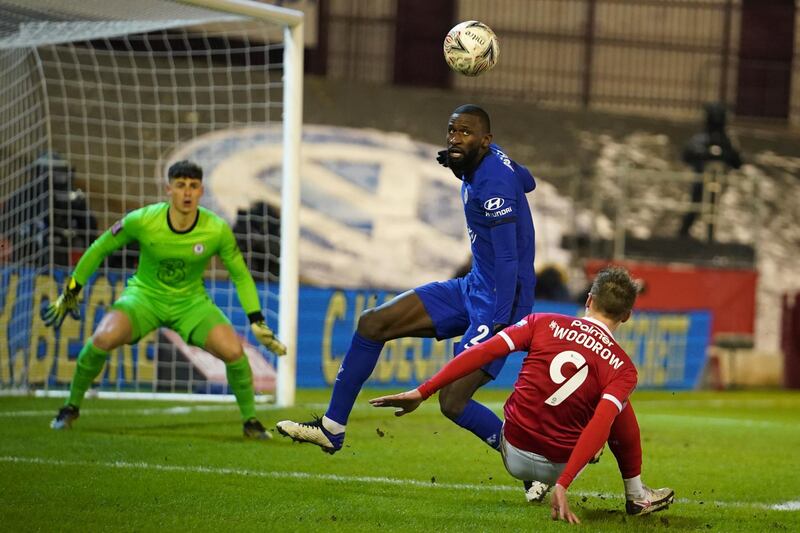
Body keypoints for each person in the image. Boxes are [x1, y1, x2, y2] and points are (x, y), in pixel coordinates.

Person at [276, 104, 537, 454]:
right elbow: (529, 181)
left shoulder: (493, 185)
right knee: (373, 323)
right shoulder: (491, 161)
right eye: (452, 130)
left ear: (486, 140)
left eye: (465, 133)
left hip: (501, 300)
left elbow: (508, 259)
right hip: (474, 286)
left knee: (453, 401)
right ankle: (331, 427)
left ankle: (531, 464)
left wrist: (501, 323)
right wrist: (462, 162)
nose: (455, 138)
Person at [370, 267, 674, 523]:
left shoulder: (540, 322)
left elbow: (480, 353)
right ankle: (636, 495)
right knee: (615, 403)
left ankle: (540, 470)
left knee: (582, 395)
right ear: (628, 316)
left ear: (589, 300)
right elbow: (602, 423)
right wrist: (564, 484)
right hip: (562, 465)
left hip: (512, 450)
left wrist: (423, 391)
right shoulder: (623, 367)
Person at [43, 160, 287, 438]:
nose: (187, 193)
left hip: (190, 303)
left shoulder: (216, 229)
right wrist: (72, 289)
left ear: (201, 191)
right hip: (145, 297)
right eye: (181, 186)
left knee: (234, 352)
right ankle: (70, 407)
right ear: (168, 189)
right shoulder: (144, 219)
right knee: (102, 338)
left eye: (193, 187)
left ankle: (250, 422)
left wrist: (255, 318)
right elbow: (99, 248)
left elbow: (241, 275)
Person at [678, 102, 742, 240]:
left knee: (713, 211)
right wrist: (708, 154)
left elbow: (737, 161)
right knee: (696, 206)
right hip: (701, 180)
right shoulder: (701, 138)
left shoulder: (727, 140)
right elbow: (688, 154)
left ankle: (710, 238)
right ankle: (683, 235)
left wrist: (721, 155)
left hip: (720, 183)